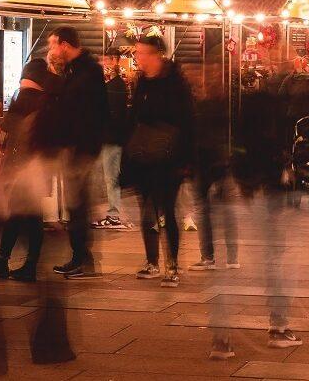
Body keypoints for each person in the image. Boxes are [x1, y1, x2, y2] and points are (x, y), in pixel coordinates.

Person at [213, 75, 301, 358]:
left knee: (233, 269)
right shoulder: (276, 105)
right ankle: (278, 327)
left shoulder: (234, 104)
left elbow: (236, 144)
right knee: (272, 260)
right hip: (264, 188)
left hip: (236, 184)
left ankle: (222, 338)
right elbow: (275, 148)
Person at [0, 59, 59, 281]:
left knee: (20, 215)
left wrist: (7, 106)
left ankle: (8, 263)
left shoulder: (24, 97)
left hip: (22, 165)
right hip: (39, 166)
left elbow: (7, 126)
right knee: (30, 217)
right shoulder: (47, 100)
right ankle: (18, 263)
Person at [127, 34, 196, 287]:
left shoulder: (176, 84)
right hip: (144, 157)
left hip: (169, 158)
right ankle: (151, 261)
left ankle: (173, 265)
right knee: (146, 211)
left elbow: (188, 122)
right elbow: (133, 118)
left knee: (167, 210)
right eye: (137, 53)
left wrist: (185, 160)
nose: (138, 58)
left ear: (156, 54)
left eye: (142, 53)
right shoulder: (142, 82)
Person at [46, 26, 109, 280]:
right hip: (76, 147)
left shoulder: (88, 72)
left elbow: (89, 112)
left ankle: (83, 259)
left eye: (53, 45)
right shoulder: (76, 70)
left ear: (64, 44)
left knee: (79, 203)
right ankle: (81, 258)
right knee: (76, 204)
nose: (51, 50)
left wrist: (81, 144)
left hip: (81, 148)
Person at [189, 83, 239, 272]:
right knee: (225, 210)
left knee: (207, 210)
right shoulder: (225, 103)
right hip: (218, 159)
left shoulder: (202, 106)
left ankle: (209, 257)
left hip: (208, 160)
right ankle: (230, 258)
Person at [93, 49, 131, 230]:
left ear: (115, 61)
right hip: (111, 138)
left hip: (112, 138)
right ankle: (112, 213)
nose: (104, 64)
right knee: (109, 177)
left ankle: (114, 215)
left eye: (107, 60)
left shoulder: (116, 86)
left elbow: (112, 114)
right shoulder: (114, 85)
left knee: (111, 177)